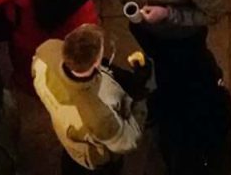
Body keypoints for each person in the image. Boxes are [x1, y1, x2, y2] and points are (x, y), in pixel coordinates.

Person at [120, 0, 231, 155]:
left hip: (183, 38)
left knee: (182, 73)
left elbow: (214, 14)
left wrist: (168, 14)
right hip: (146, 29)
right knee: (159, 65)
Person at [35, 25, 149, 171]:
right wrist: (139, 98)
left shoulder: (46, 51)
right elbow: (129, 141)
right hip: (97, 159)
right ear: (96, 62)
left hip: (70, 138)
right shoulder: (100, 116)